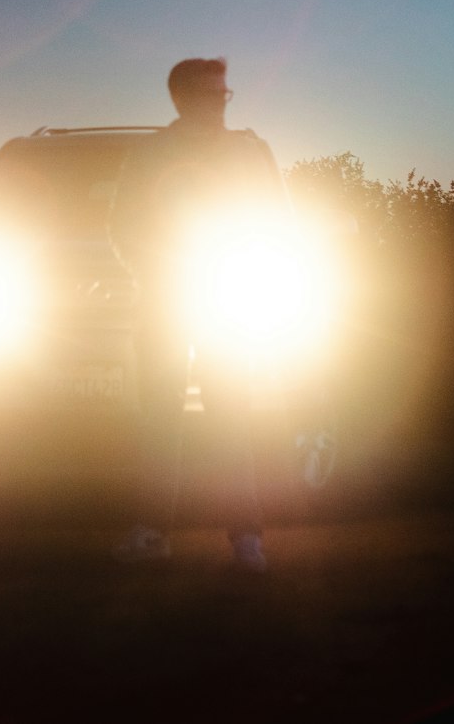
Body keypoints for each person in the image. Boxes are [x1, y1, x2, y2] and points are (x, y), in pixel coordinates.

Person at [109, 57, 291, 571]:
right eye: (213, 94)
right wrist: (152, 272)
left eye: (225, 94)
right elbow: (122, 224)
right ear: (181, 99)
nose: (221, 103)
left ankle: (245, 538)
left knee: (230, 420)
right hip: (165, 304)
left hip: (227, 302)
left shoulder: (249, 153)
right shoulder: (149, 155)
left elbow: (278, 221)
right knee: (159, 423)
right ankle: (153, 531)